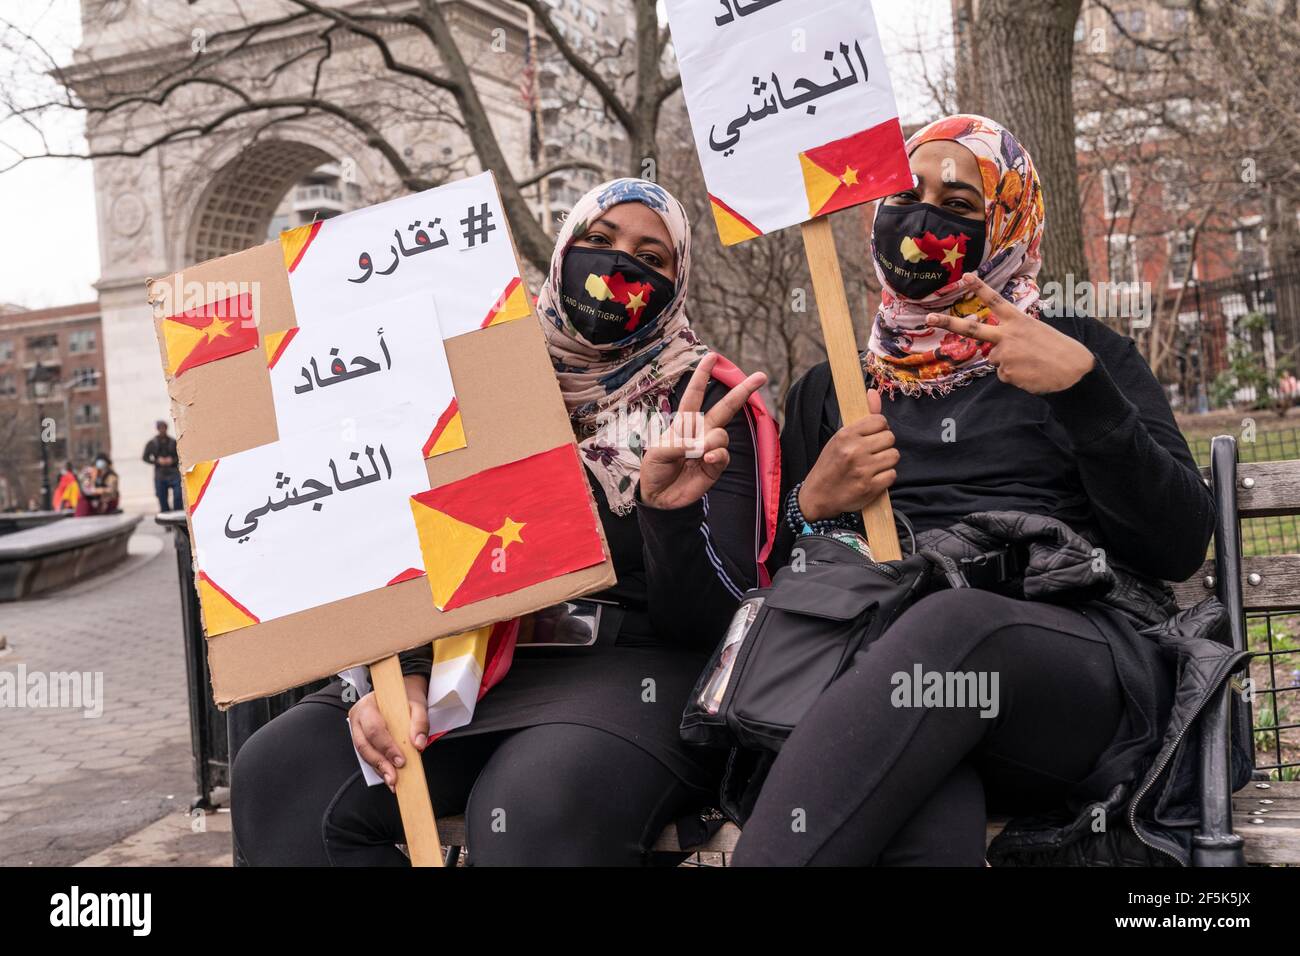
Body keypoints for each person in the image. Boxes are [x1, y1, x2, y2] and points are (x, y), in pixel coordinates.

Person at [231, 178, 776, 866]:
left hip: (632, 674)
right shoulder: (478, 379)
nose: (616, 267)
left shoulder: (704, 399)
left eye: (650, 255)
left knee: (527, 807)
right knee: (280, 772)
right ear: (562, 252)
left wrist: (665, 516)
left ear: (678, 280)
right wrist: (397, 673)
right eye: (599, 242)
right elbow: (410, 548)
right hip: (468, 669)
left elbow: (719, 621)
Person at [732, 115, 1217, 866]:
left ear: (1007, 222)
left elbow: (1178, 544)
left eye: (958, 205)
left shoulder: (1080, 348)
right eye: (904, 194)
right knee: (923, 804)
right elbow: (787, 566)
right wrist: (812, 504)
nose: (921, 217)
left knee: (952, 627)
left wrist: (1085, 396)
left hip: (1071, 675)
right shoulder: (834, 381)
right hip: (905, 699)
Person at [142, 420, 181, 512]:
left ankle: (178, 517)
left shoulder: (173, 442)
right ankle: (167, 521)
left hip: (173, 473)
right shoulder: (152, 443)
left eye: (164, 427)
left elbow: (180, 456)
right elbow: (145, 457)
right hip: (160, 474)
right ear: (158, 429)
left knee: (178, 496)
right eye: (160, 428)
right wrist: (157, 461)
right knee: (162, 498)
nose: (162, 430)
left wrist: (172, 460)